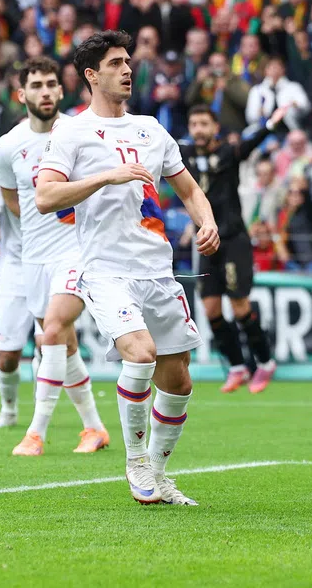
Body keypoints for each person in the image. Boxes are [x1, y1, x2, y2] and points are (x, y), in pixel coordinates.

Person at [36, 30, 221, 506]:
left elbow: (188, 189)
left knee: (177, 379)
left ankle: (158, 474)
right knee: (139, 354)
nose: (127, 69)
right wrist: (105, 176)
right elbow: (45, 197)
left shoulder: (152, 130)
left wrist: (207, 222)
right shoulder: (71, 131)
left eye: (128, 61)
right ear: (92, 75)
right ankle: (135, 460)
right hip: (105, 270)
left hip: (158, 271)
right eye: (116, 63)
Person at [0, 57, 110, 455]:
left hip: (76, 249)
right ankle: (93, 428)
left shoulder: (79, 131)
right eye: (37, 85)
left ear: (61, 91)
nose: (45, 92)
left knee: (52, 332)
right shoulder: (8, 145)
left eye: (51, 84)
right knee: (63, 342)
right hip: (34, 256)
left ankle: (35, 433)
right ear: (21, 94)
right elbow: (13, 201)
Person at [181, 103, 290, 394]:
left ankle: (265, 362)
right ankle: (237, 366)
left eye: (204, 124)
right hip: (206, 243)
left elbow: (250, 142)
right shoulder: (185, 155)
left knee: (239, 306)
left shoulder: (227, 153)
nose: (199, 130)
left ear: (215, 127)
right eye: (194, 125)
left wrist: (270, 124)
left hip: (232, 241)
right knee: (210, 308)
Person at [0, 178, 40, 429]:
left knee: (49, 343)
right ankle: (9, 410)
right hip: (14, 272)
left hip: (54, 266)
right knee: (7, 355)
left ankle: (41, 417)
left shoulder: (62, 160)